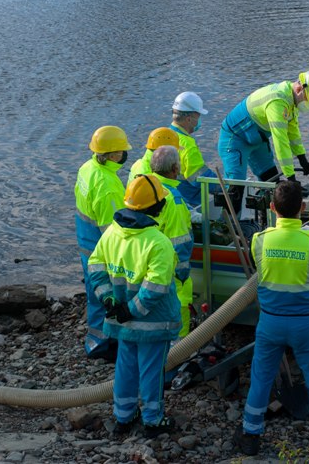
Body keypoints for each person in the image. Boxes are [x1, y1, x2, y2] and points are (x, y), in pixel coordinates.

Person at [234, 180, 309, 460]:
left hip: (270, 322)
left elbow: (260, 270)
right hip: (306, 324)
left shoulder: (259, 240)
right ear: (302, 207)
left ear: (272, 208)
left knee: (261, 378)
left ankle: (250, 435)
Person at [88, 174, 182, 436]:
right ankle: (153, 420)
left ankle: (123, 416)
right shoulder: (158, 242)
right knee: (152, 371)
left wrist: (109, 299)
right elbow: (155, 288)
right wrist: (131, 311)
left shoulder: (112, 233)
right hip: (152, 323)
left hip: (121, 321)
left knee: (126, 367)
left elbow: (95, 267)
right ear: (157, 206)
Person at [218, 71, 309, 207]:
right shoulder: (278, 102)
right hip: (235, 138)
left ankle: (266, 216)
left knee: (271, 180)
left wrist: (302, 159)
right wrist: (291, 178)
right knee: (236, 188)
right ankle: (229, 220)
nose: (307, 104)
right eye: (307, 99)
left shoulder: (291, 100)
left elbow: (293, 133)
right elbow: (280, 141)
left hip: (258, 138)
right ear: (299, 89)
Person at [75, 125, 132, 360]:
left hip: (86, 242)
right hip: (101, 249)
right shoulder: (107, 186)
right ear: (113, 154)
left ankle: (95, 341)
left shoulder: (87, 168)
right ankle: (107, 345)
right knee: (109, 295)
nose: (125, 154)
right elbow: (113, 233)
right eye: (122, 151)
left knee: (94, 292)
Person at [150, 145, 195, 338]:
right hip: (171, 269)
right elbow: (180, 242)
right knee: (179, 308)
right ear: (175, 168)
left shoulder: (144, 187)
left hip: (148, 264)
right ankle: (180, 350)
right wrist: (182, 274)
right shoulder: (173, 200)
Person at [169, 92, 218, 208]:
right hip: (188, 203)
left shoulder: (164, 135)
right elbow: (200, 178)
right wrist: (225, 187)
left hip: (169, 198)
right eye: (198, 117)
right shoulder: (187, 145)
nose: (199, 121)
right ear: (189, 119)